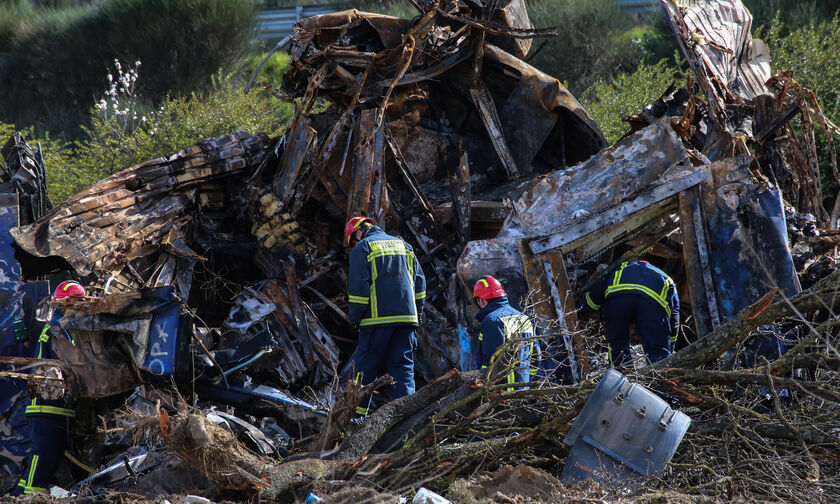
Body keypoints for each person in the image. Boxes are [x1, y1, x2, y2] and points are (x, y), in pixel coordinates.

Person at [345, 216, 426, 417]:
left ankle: (357, 420)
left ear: (357, 232)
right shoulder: (405, 246)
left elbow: (359, 290)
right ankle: (404, 419)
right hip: (407, 321)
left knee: (365, 372)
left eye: (352, 241)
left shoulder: (362, 248)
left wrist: (354, 317)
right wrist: (419, 312)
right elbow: (420, 285)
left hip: (376, 322)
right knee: (403, 371)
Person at [13, 280, 85, 496]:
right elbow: (70, 359)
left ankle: (24, 494)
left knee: (48, 457)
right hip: (47, 405)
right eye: (77, 303)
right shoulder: (58, 328)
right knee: (42, 456)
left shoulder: (54, 326)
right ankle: (23, 497)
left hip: (52, 407)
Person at [578, 260, 679, 368]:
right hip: (651, 304)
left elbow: (594, 299)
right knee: (657, 351)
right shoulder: (666, 278)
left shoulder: (619, 269)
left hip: (618, 300)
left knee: (617, 344)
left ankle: (620, 377)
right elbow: (675, 318)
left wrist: (579, 307)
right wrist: (670, 346)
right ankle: (661, 380)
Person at [472, 276, 534, 387]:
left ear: (481, 300)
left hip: (501, 395)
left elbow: (490, 362)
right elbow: (536, 357)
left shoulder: (492, 321)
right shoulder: (524, 318)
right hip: (523, 392)